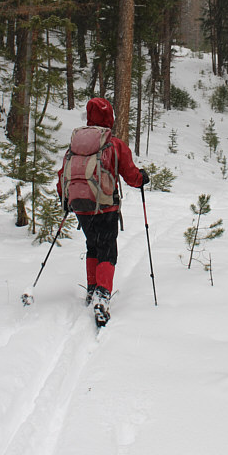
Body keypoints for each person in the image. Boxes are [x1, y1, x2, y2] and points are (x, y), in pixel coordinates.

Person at [57, 97, 149, 327]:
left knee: (93, 246)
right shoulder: (114, 144)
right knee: (108, 250)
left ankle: (92, 289)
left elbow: (63, 174)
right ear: (110, 117)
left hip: (81, 206)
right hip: (106, 206)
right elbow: (131, 176)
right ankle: (102, 295)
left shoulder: (76, 145)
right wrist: (142, 178)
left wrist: (65, 200)